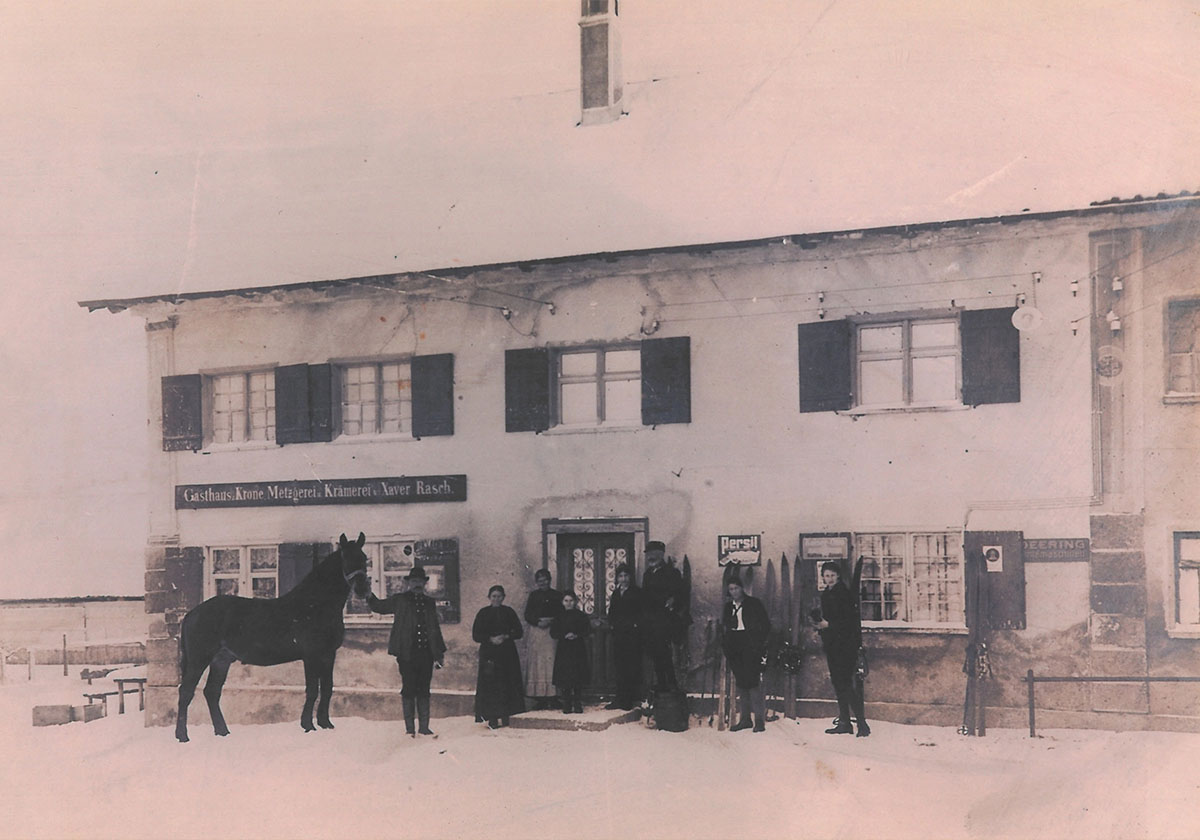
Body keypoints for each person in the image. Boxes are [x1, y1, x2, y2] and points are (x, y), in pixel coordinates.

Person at [367, 565, 446, 737]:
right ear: (409, 583)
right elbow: (379, 607)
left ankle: (424, 727)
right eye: (414, 581)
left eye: (420, 581)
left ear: (424, 584)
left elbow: (434, 628)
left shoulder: (429, 603)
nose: (417, 584)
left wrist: (439, 654)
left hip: (426, 653)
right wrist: (368, 594)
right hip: (407, 654)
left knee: (424, 689)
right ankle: (409, 729)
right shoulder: (399, 600)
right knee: (409, 688)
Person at [815, 561, 869, 737]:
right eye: (826, 575)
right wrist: (819, 625)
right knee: (838, 683)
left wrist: (828, 624)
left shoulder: (844, 594)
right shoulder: (826, 594)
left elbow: (849, 622)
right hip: (832, 644)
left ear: (838, 576)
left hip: (845, 646)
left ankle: (862, 724)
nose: (829, 579)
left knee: (846, 684)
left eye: (832, 575)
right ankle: (845, 722)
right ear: (822, 576)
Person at [721, 573, 771, 732]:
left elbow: (765, 625)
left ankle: (759, 720)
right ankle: (745, 719)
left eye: (736, 588)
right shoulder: (728, 607)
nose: (734, 592)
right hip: (734, 643)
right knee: (741, 682)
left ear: (742, 588)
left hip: (750, 643)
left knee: (753, 682)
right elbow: (726, 626)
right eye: (731, 589)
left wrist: (759, 643)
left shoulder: (754, 604)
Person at [472, 584, 526, 729]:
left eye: (499, 596)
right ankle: (492, 718)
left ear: (503, 598)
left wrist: (506, 636)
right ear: (489, 598)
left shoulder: (509, 612)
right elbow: (476, 635)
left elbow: (519, 632)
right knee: (490, 685)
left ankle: (506, 715)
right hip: (489, 654)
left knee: (507, 683)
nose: (496, 599)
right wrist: (490, 639)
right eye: (494, 596)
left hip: (507, 654)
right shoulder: (483, 613)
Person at [641, 540, 686, 693]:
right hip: (650, 622)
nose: (650, 558)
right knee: (655, 653)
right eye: (648, 555)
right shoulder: (647, 575)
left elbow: (681, 596)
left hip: (665, 621)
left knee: (666, 654)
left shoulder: (672, 573)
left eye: (654, 555)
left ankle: (672, 684)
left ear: (661, 555)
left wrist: (673, 602)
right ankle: (662, 684)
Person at [605, 563, 643, 710]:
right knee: (619, 667)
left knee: (631, 667)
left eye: (626, 575)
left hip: (632, 636)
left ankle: (628, 700)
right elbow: (612, 612)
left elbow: (641, 613)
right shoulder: (616, 593)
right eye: (620, 576)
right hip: (619, 636)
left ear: (630, 577)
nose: (623, 579)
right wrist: (612, 625)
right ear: (617, 578)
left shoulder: (636, 593)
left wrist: (634, 626)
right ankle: (619, 698)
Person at [523, 568, 563, 710]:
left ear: (549, 580)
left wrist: (551, 621)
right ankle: (540, 697)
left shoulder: (557, 595)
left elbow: (561, 613)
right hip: (537, 631)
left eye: (545, 580)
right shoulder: (534, 596)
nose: (543, 583)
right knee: (538, 663)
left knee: (551, 662)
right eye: (540, 581)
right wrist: (538, 622)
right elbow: (527, 614)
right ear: (537, 582)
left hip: (552, 632)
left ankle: (553, 697)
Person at [551, 590, 591, 714]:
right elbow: (553, 632)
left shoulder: (581, 616)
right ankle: (567, 703)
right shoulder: (559, 616)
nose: (568, 603)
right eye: (566, 601)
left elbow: (587, 630)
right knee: (565, 675)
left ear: (575, 601)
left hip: (577, 648)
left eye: (571, 601)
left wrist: (576, 635)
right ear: (562, 602)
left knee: (577, 675)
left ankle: (577, 703)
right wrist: (564, 635)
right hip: (564, 648)